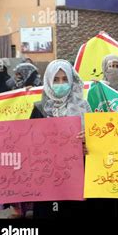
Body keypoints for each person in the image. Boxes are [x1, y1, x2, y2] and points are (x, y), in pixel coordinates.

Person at [30, 59, 90, 218]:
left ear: (72, 80)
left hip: (77, 177)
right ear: (48, 81)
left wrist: (87, 145)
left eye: (65, 79)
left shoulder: (84, 108)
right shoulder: (39, 109)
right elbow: (30, 146)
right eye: (56, 80)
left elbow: (95, 143)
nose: (61, 83)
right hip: (47, 178)